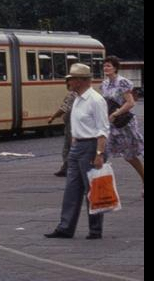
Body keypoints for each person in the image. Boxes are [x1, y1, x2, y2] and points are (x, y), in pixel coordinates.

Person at [45, 63, 110, 240]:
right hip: (77, 146)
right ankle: (65, 227)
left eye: (71, 79)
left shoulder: (95, 100)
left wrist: (99, 154)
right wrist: (74, 139)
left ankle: (95, 229)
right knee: (71, 189)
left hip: (90, 147)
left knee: (92, 190)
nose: (69, 82)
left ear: (81, 81)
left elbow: (103, 129)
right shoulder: (77, 98)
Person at [101, 56, 144, 195]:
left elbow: (130, 103)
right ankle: (100, 185)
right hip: (111, 124)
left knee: (130, 156)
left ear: (115, 68)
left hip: (124, 124)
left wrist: (116, 113)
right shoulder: (105, 84)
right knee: (103, 152)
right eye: (104, 65)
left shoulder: (122, 82)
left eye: (108, 65)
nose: (105, 68)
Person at [46, 81, 78, 177]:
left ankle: (68, 168)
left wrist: (53, 117)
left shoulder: (72, 94)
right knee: (71, 146)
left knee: (68, 146)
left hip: (71, 123)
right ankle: (68, 167)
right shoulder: (80, 94)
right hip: (73, 122)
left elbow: (63, 108)